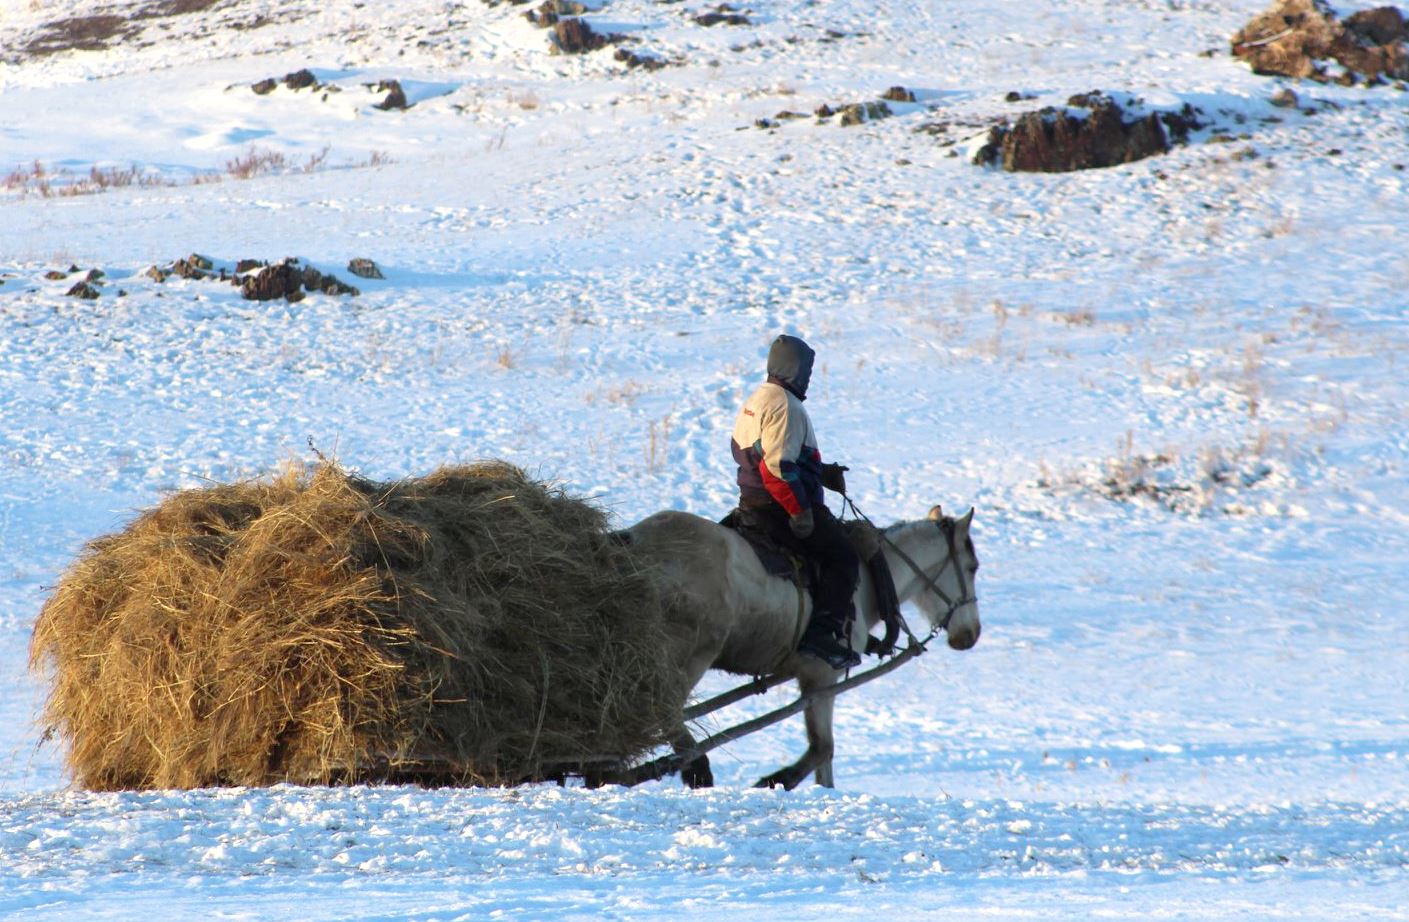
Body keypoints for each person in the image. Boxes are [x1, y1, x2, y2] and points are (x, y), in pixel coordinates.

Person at [730, 334, 861, 670]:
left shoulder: (757, 399)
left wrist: (821, 472)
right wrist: (799, 511)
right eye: (807, 370)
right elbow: (778, 469)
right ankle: (822, 635)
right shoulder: (787, 406)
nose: (809, 378)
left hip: (751, 503)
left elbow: (757, 455)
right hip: (778, 508)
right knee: (844, 558)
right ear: (795, 369)